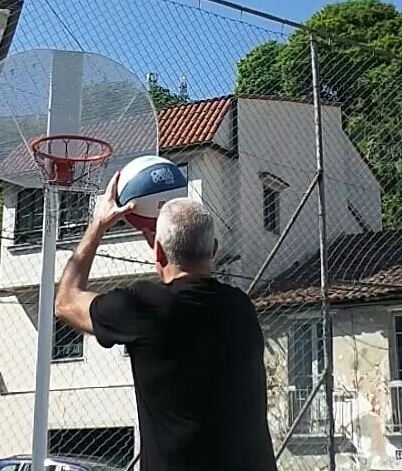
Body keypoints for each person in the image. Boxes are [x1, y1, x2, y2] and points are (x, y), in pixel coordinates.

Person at [55, 172, 278, 471]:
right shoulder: (241, 308)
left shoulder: (142, 306)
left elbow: (66, 301)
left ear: (158, 250)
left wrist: (99, 224)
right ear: (213, 250)